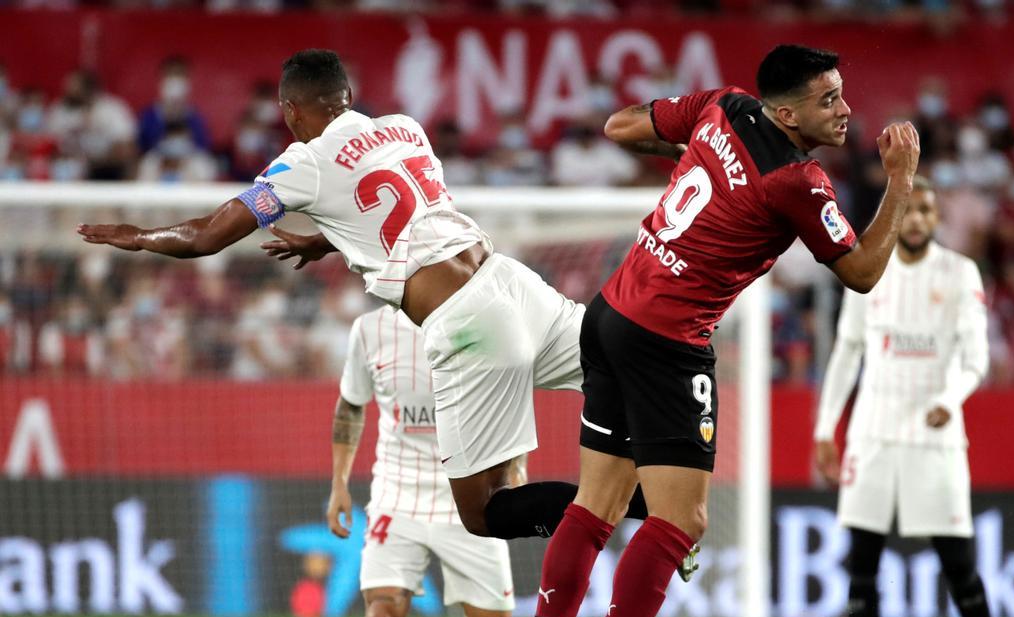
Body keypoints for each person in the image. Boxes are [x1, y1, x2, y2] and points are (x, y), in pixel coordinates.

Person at [499, 44, 920, 617]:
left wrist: (698, 153)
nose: (845, 109)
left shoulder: (721, 105)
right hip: (666, 342)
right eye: (828, 100)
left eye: (843, 93)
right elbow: (860, 272)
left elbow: (620, 126)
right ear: (785, 114)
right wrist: (902, 184)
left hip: (610, 314)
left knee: (596, 503)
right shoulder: (798, 179)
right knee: (681, 520)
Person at [78, 48, 644, 541]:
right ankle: (668, 493)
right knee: (616, 360)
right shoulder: (403, 127)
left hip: (469, 324)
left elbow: (206, 236)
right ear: (347, 96)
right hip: (514, 283)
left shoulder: (305, 161)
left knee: (484, 512)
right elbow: (404, 213)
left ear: (290, 110)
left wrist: (138, 236)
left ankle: (636, 508)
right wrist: (330, 242)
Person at [813, 176, 1014, 617]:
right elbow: (846, 353)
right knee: (862, 567)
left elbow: (976, 358)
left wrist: (949, 400)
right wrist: (823, 429)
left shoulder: (959, 274)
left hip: (936, 435)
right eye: (907, 209)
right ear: (895, 213)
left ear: (937, 217)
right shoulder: (865, 271)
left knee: (961, 569)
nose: (916, 219)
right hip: (873, 434)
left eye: (926, 209)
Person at [330, 305, 518, 617]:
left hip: (471, 493)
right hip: (398, 494)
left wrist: (513, 475)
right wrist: (339, 483)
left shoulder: (478, 322)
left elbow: (508, 400)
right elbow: (351, 404)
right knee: (382, 614)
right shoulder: (370, 330)